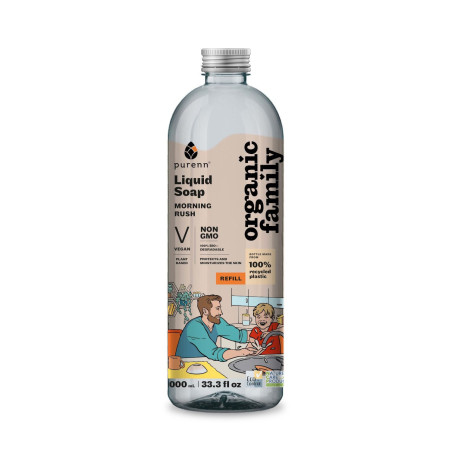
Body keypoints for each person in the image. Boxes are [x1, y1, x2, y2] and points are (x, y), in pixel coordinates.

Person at [176, 294, 256, 361]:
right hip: (186, 365)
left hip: (205, 363)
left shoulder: (217, 322)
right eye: (217, 309)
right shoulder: (194, 327)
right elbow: (214, 353)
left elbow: (239, 335)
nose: (221, 312)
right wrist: (242, 352)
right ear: (205, 311)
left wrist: (257, 337)